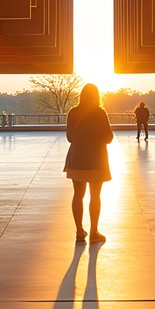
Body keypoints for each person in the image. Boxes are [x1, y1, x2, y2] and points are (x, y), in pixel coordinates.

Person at [64, 83, 114, 243]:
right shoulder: (99, 113)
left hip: (77, 158)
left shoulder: (73, 113)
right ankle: (94, 232)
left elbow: (70, 138)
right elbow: (108, 138)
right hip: (96, 159)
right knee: (95, 196)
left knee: (78, 195)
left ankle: (79, 232)